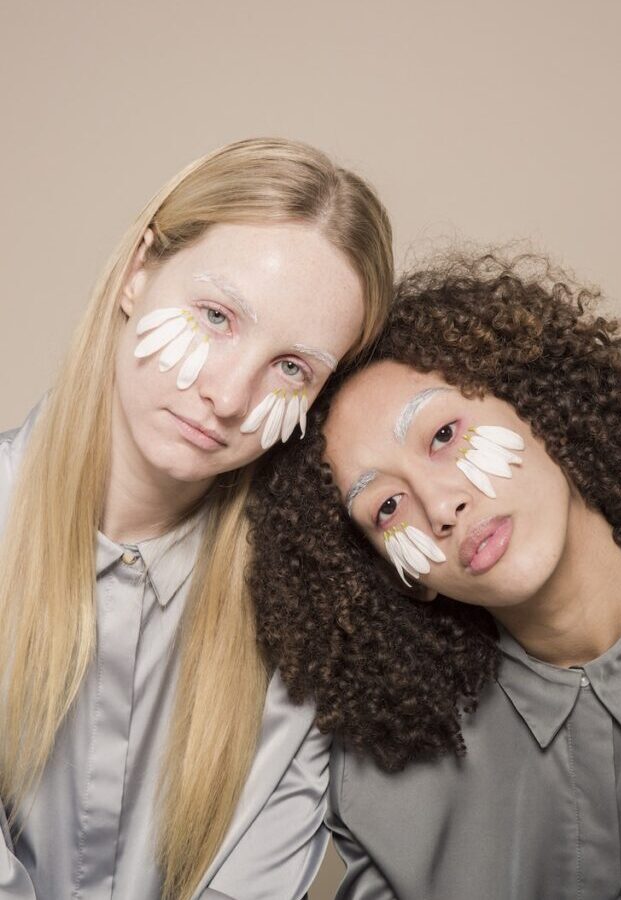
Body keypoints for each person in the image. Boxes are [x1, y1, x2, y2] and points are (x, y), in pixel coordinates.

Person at [0, 137, 393, 900]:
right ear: (136, 272)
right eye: (217, 316)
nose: (229, 395)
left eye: (292, 368)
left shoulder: (304, 616)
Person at [249, 253, 621, 900]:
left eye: (443, 434)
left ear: (542, 411)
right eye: (386, 507)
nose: (441, 506)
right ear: (402, 577)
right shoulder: (383, 794)